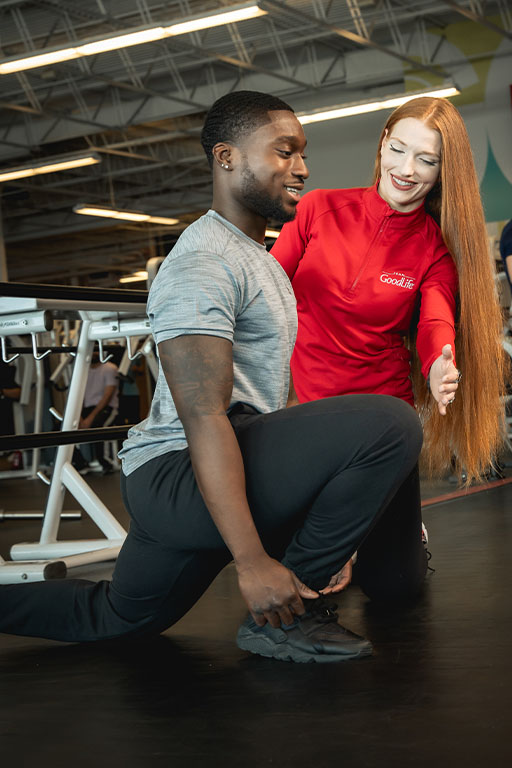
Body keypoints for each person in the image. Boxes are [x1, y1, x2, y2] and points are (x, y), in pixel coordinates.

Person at [0, 91, 423, 664]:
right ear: (226, 157)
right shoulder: (203, 263)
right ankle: (288, 618)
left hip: (205, 473)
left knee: (120, 616)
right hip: (180, 474)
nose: (301, 167)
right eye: (284, 151)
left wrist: (321, 529)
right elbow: (204, 416)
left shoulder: (259, 259)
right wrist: (253, 563)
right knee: (389, 422)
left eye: (303, 153)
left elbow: (265, 410)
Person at [272, 96, 506, 507]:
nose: (407, 169)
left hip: (381, 415)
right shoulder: (317, 209)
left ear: (442, 171)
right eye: (398, 149)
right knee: (319, 551)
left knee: (393, 571)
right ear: (382, 143)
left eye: (426, 160)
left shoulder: (434, 250)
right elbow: (267, 288)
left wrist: (439, 363)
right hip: (306, 410)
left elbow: (435, 321)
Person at [73, 349, 119, 473]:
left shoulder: (110, 368)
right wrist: (79, 417)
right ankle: (80, 462)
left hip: (106, 408)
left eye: (95, 351)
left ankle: (105, 462)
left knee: (97, 427)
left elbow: (107, 396)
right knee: (62, 429)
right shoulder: (82, 370)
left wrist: (89, 419)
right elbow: (79, 395)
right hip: (87, 408)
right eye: (91, 350)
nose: (93, 353)